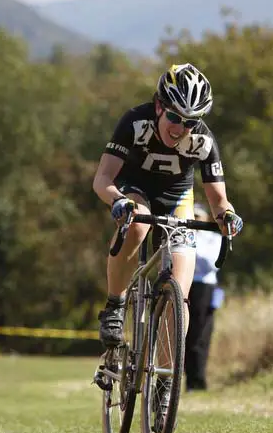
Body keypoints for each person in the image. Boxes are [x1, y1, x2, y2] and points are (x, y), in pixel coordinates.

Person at [90, 62, 244, 395]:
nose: (180, 128)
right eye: (174, 117)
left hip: (177, 198)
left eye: (190, 122)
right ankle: (116, 306)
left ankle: (164, 380)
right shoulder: (135, 121)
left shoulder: (203, 140)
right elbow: (102, 179)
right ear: (160, 106)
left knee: (180, 294)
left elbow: (219, 201)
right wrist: (117, 200)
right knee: (136, 228)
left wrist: (228, 216)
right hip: (135, 189)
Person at [186, 203, 224, 392]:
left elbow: (212, 263)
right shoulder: (183, 236)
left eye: (198, 216)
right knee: (185, 333)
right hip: (187, 284)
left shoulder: (213, 238)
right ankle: (185, 379)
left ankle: (198, 379)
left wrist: (191, 249)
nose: (195, 219)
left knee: (201, 334)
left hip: (205, 288)